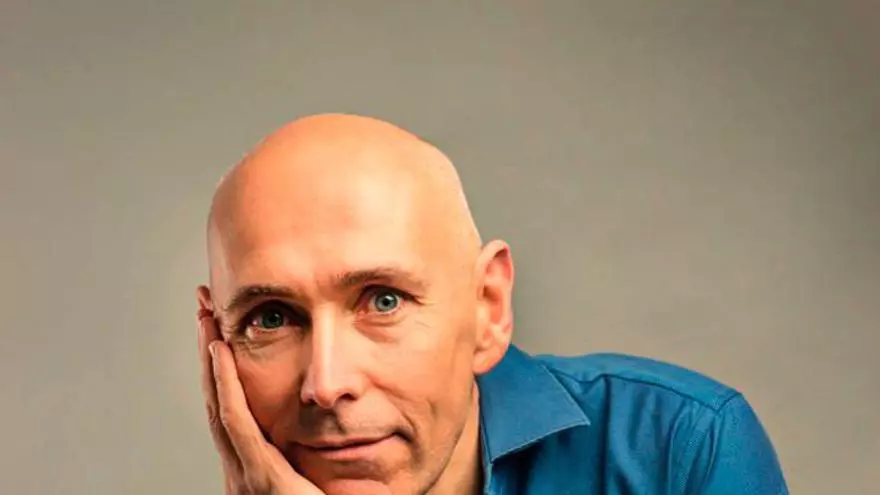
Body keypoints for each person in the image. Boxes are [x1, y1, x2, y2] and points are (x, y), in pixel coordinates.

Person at [195, 114, 789, 495]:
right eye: (270, 318)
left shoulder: (682, 448)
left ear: (488, 307)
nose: (326, 385)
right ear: (214, 338)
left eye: (384, 301)